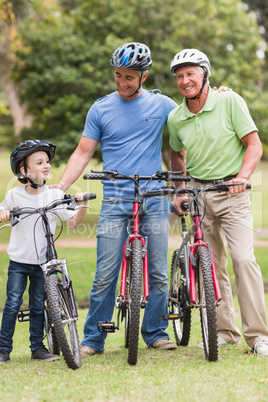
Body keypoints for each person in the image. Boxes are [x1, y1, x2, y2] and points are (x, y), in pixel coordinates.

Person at [50, 42, 180, 356]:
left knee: (159, 272)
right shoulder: (101, 108)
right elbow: (83, 152)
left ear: (144, 76)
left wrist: (217, 93)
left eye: (130, 77)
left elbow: (187, 130)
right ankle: (94, 339)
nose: (122, 82)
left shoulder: (163, 106)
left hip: (154, 196)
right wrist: (61, 185)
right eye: (118, 75)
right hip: (114, 200)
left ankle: (155, 332)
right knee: (106, 272)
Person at [167, 48, 268, 357]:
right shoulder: (176, 117)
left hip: (232, 191)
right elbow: (176, 154)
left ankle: (258, 336)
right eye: (180, 76)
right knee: (212, 265)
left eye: (191, 74)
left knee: (243, 259)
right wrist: (181, 191)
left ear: (205, 75)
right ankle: (225, 331)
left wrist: (242, 176)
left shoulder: (229, 101)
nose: (185, 81)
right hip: (200, 195)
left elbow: (253, 144)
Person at [0, 140, 89, 364]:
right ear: (24, 170)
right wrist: (3, 213)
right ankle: (3, 349)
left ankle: (37, 348)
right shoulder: (14, 195)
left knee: (39, 304)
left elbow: (74, 223)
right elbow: (3, 209)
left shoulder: (54, 196)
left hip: (44, 262)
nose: (46, 165)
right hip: (19, 261)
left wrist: (81, 206)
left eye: (47, 161)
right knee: (12, 303)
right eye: (39, 163)